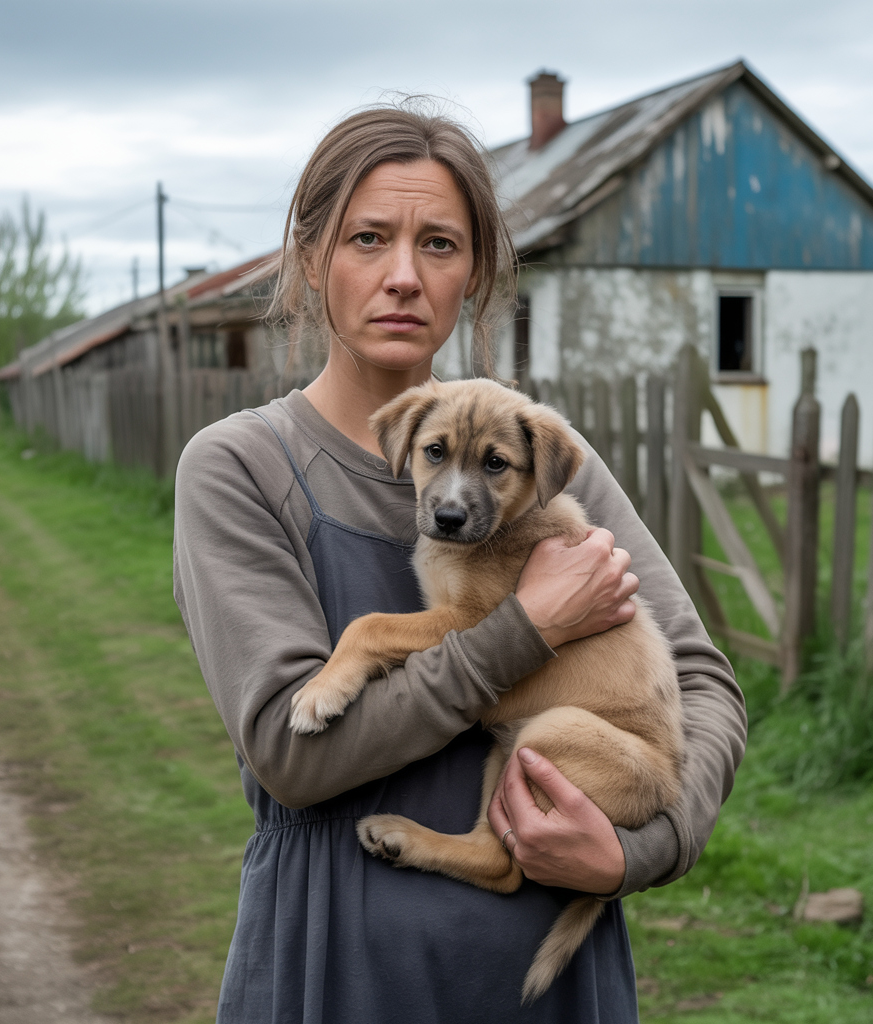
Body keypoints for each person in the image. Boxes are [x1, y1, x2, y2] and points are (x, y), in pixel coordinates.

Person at [173, 104, 746, 1024]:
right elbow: (290, 753)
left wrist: (633, 854)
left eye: (439, 243)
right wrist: (528, 629)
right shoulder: (242, 467)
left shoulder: (543, 461)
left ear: (472, 273)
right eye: (369, 237)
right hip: (340, 960)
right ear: (312, 259)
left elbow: (700, 679)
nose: (403, 275)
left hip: (548, 974)